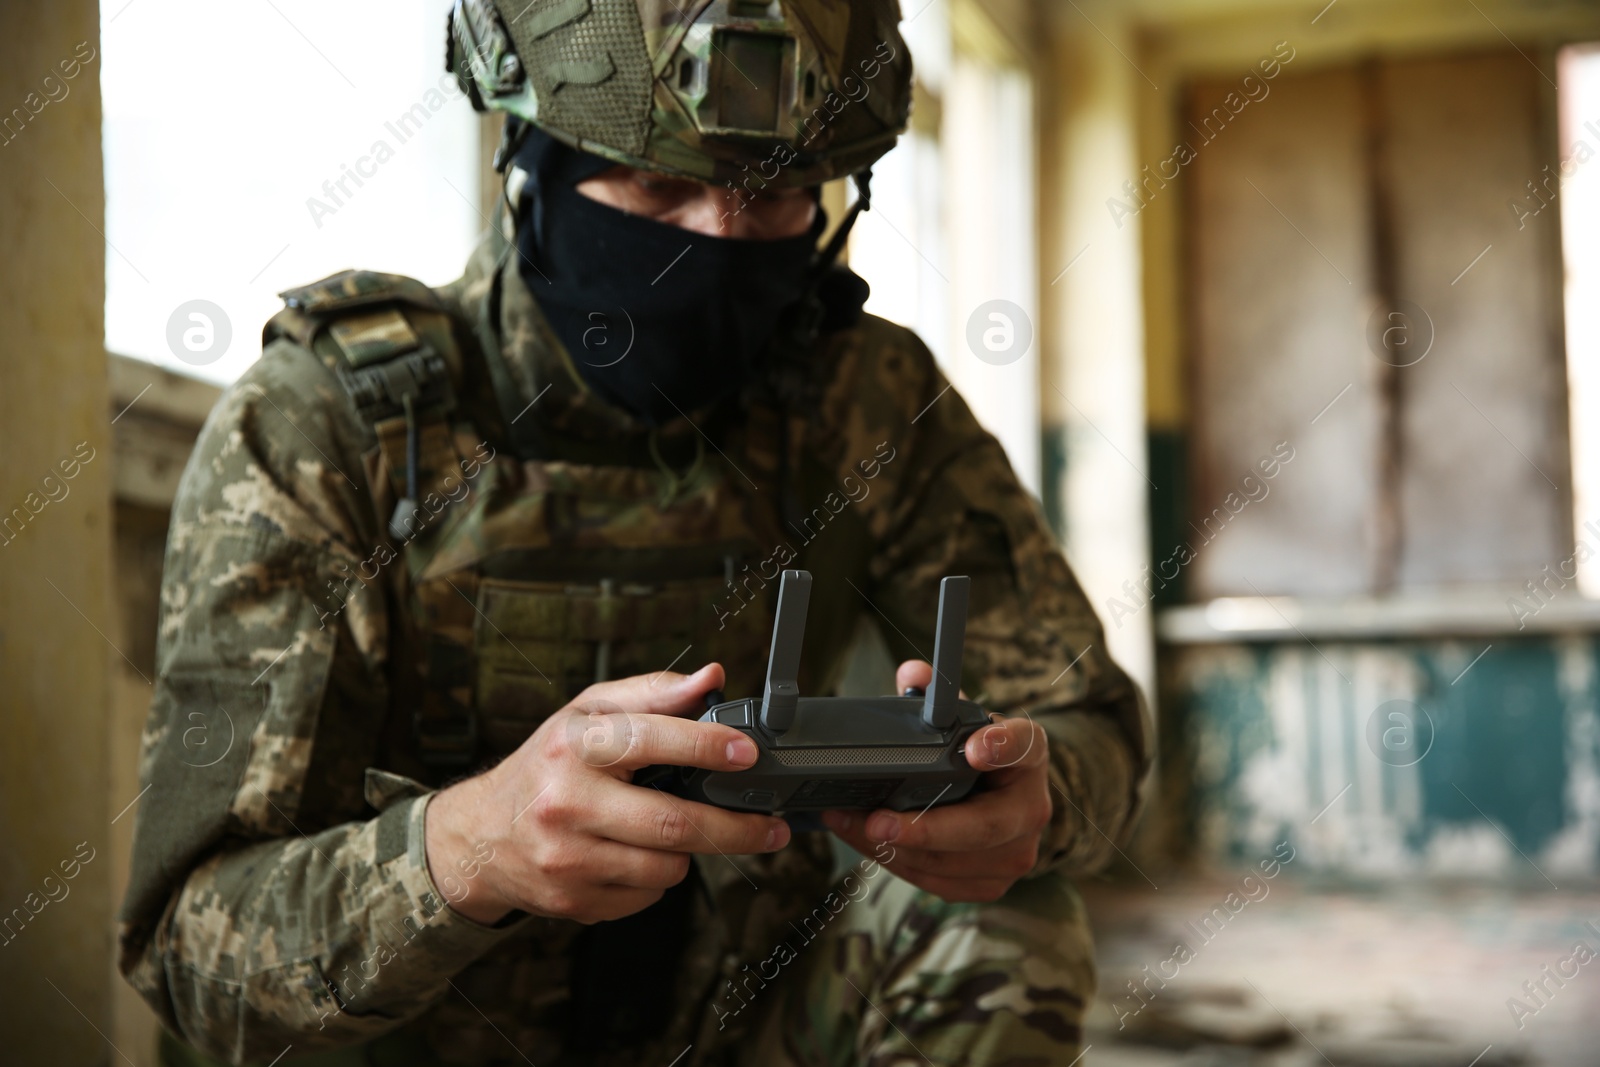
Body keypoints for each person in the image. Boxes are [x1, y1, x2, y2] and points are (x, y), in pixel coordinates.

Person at [118, 1, 1149, 1064]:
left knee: (1006, 934)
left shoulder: (864, 399)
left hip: (728, 1015)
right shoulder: (330, 425)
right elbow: (189, 955)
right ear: (533, 158)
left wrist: (1029, 796)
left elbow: (1090, 721)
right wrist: (463, 851)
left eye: (778, 194)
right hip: (415, 1039)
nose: (715, 240)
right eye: (656, 186)